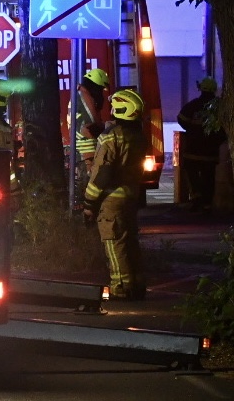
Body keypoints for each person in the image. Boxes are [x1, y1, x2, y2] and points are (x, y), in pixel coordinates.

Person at [83, 88, 147, 301]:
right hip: (131, 196)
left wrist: (89, 203)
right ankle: (136, 284)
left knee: (114, 243)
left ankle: (121, 288)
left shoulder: (111, 138)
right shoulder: (137, 136)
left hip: (111, 199)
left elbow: (102, 173)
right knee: (130, 241)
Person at [177, 76, 226, 213]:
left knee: (193, 175)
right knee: (209, 177)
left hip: (193, 150)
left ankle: (196, 199)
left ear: (201, 89)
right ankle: (207, 204)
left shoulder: (194, 105)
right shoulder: (219, 107)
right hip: (211, 152)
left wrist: (191, 130)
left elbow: (181, 119)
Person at [74, 67, 109, 195]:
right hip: (86, 147)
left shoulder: (81, 94)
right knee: (91, 182)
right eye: (100, 89)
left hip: (83, 145)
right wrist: (109, 127)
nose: (101, 93)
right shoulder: (84, 96)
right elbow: (92, 126)